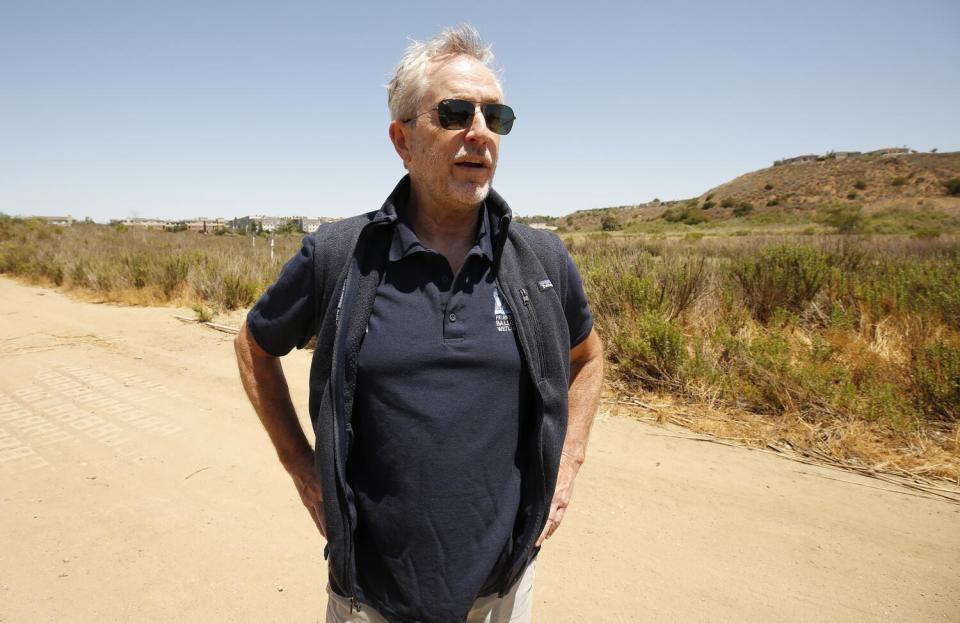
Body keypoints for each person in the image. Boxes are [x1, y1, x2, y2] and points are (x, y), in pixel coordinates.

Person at [234, 24, 604, 623]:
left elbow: (587, 357)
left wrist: (570, 461)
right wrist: (300, 466)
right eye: (455, 113)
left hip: (502, 591)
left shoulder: (541, 261)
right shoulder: (339, 256)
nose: (479, 134)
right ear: (402, 140)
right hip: (371, 597)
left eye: (496, 116)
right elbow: (254, 346)